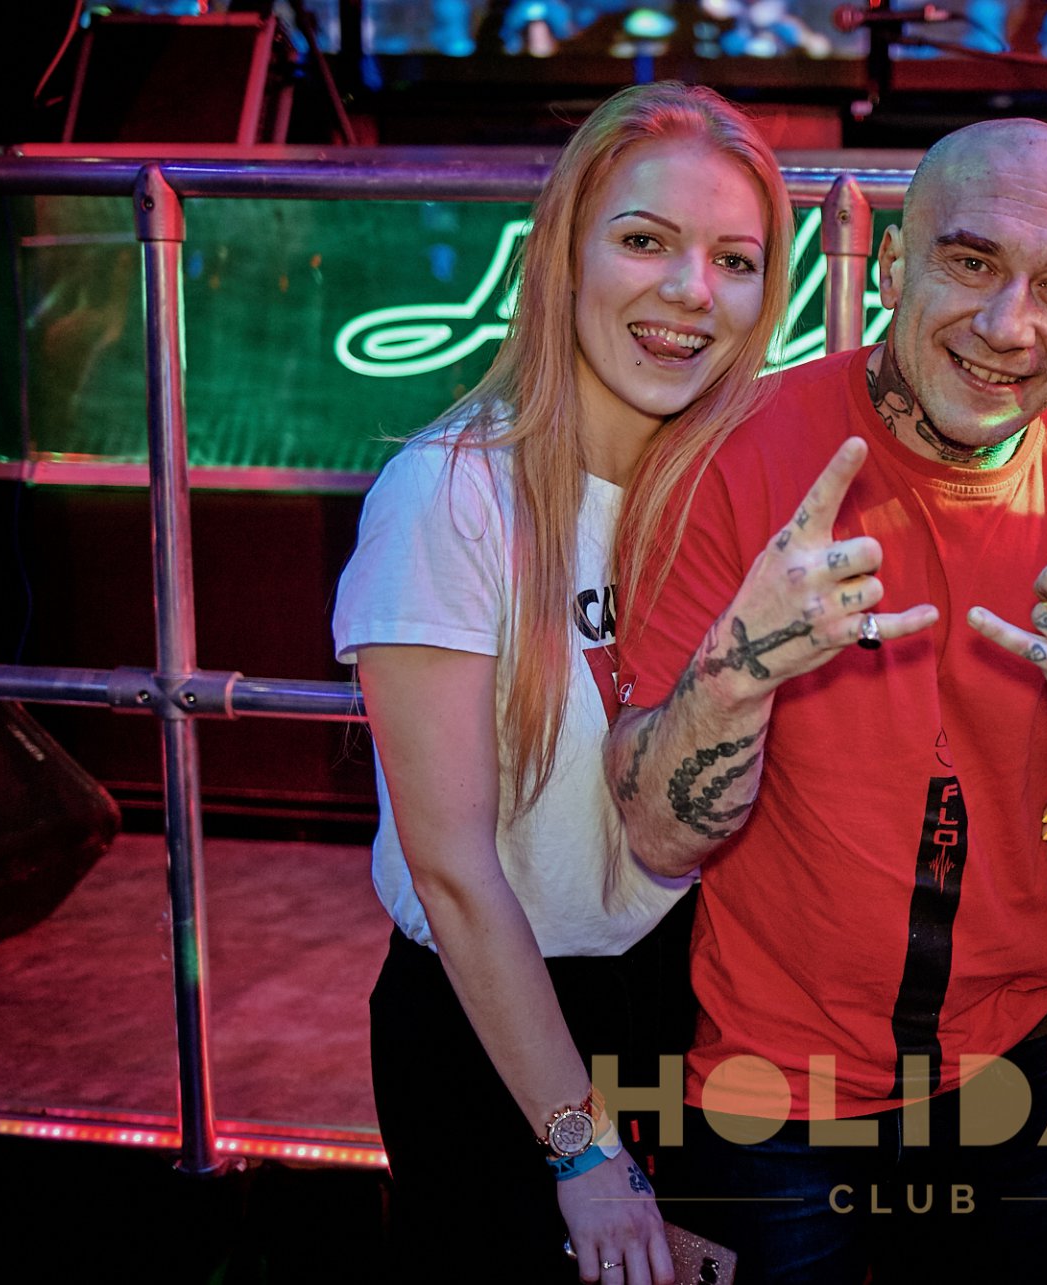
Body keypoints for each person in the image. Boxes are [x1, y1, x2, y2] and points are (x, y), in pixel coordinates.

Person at [601, 118, 1047, 1284]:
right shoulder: (733, 454)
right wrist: (743, 666)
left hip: (1010, 1085)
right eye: (971, 261)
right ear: (896, 262)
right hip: (764, 1099)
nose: (1008, 324)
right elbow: (661, 836)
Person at [331, 82, 794, 1285]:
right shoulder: (449, 494)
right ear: (564, 255)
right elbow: (452, 868)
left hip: (685, 1008)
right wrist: (581, 1145)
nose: (691, 291)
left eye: (734, 260)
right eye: (645, 240)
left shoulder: (732, 495)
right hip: (491, 1026)